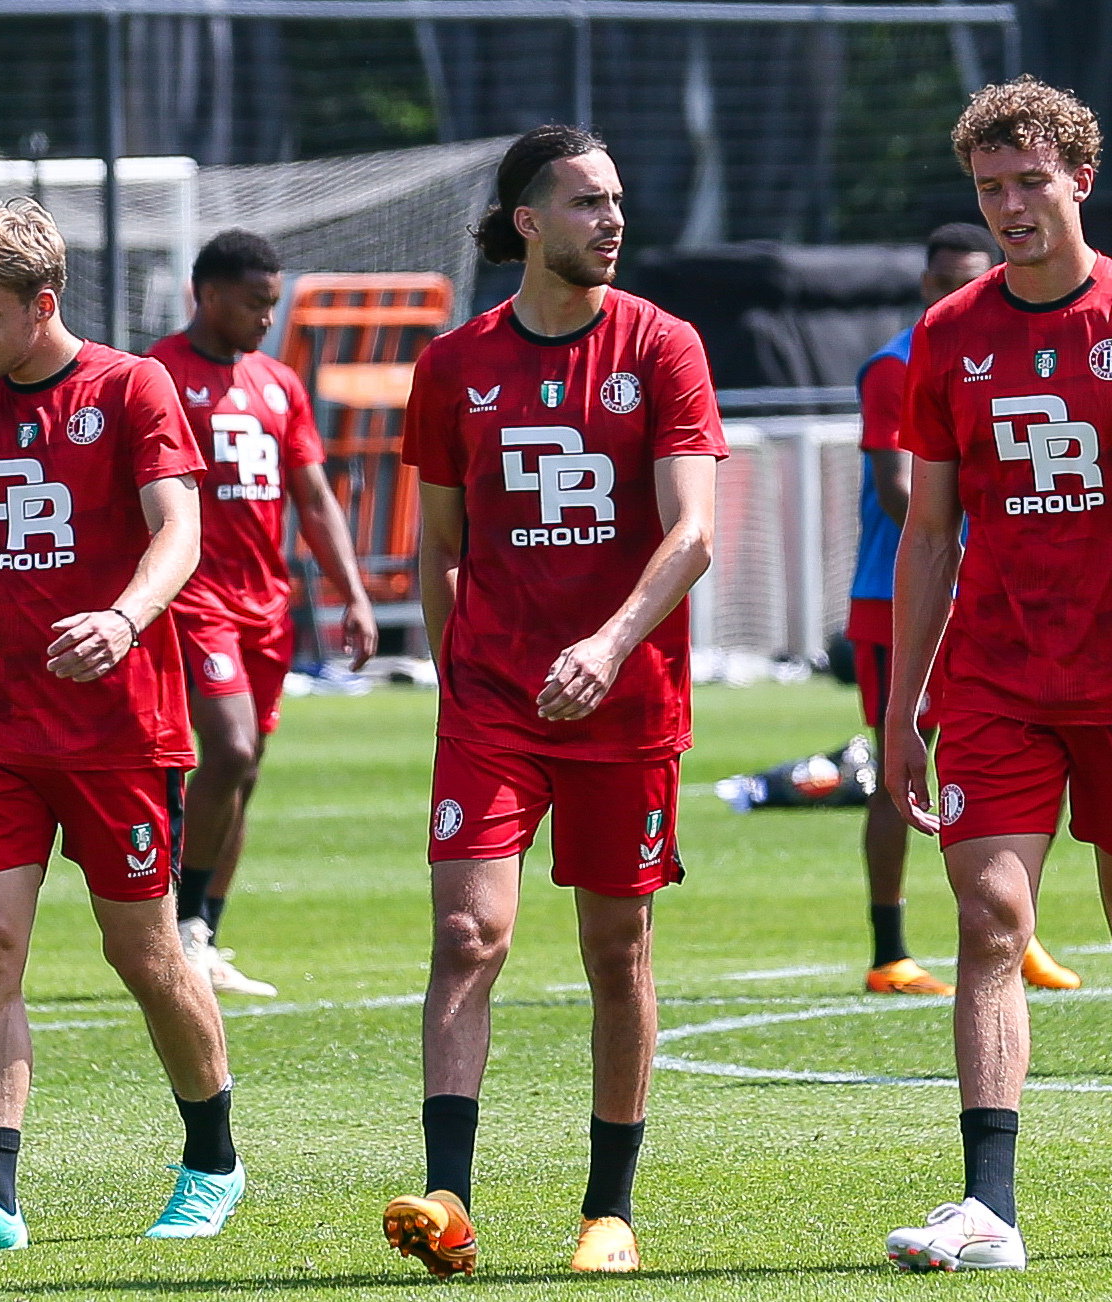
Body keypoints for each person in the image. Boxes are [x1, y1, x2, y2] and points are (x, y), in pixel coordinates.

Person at [880, 77, 1112, 1270]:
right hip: (994, 682)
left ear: (1080, 177)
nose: (1013, 206)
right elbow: (930, 535)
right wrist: (900, 707)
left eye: (1031, 182)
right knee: (990, 920)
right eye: (992, 189)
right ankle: (989, 1208)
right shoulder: (951, 332)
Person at [380, 125, 723, 1278]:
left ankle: (608, 1210)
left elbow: (695, 531)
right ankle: (448, 1201)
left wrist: (611, 642)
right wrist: (453, 672)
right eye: (586, 202)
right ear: (528, 221)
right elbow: (436, 545)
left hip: (627, 703)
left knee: (616, 945)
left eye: (618, 199)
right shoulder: (455, 366)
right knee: (468, 933)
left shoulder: (664, 348)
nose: (612, 220)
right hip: (492, 704)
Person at [0, 198, 241, 1251]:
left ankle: (212, 1160)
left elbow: (180, 529)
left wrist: (126, 618)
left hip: (118, 732)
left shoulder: (132, 386)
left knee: (143, 953)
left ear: (44, 305)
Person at [849, 222, 1081, 998]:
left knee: (1012, 756)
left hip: (983, 596)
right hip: (899, 598)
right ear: (926, 284)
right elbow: (898, 493)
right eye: (945, 280)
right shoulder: (894, 365)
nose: (957, 293)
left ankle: (1020, 934)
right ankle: (888, 948)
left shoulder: (1014, 349)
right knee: (899, 762)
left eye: (970, 279)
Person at [148, 229, 378, 999]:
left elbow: (313, 496)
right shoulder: (157, 374)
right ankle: (179, 924)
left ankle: (202, 931)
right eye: (252, 303)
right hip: (194, 597)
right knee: (232, 749)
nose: (262, 319)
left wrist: (350, 591)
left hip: (266, 605)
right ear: (205, 295)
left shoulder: (278, 383)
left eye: (271, 306)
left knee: (242, 775)